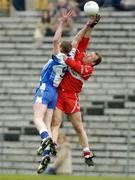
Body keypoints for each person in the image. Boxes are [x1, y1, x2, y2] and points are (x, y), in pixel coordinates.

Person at [51, 14, 102, 167]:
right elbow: (82, 39)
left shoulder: (88, 69)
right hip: (60, 94)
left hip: (72, 97)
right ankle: (52, 145)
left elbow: (75, 66)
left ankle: (87, 152)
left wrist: (63, 56)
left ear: (93, 63)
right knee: (55, 123)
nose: (88, 54)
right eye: (90, 53)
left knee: (78, 127)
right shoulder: (80, 55)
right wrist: (89, 25)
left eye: (91, 56)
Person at [33, 10, 73, 174]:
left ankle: (46, 140)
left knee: (37, 118)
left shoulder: (59, 57)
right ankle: (47, 153)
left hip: (46, 88)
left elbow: (55, 39)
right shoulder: (68, 62)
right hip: (54, 94)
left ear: (61, 49)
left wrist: (62, 23)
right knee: (48, 123)